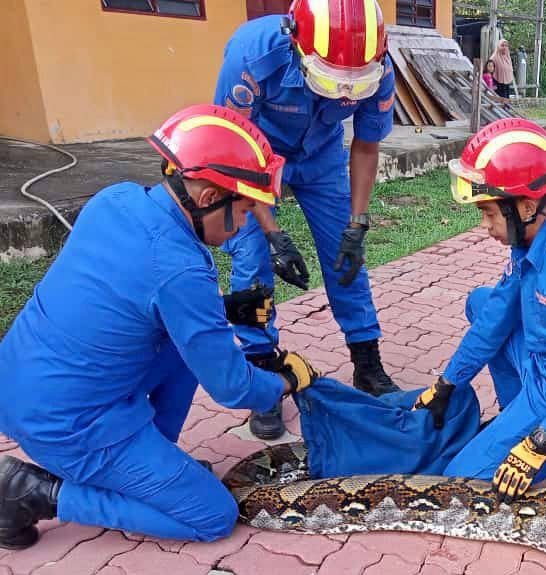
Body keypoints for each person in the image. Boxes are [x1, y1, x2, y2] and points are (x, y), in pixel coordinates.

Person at [0, 105, 320, 549]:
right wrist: (286, 381)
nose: (245, 223)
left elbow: (123, 297)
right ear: (209, 198)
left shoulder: (118, 198)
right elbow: (232, 389)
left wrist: (226, 309)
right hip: (67, 425)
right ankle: (39, 494)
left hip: (26, 382)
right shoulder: (180, 270)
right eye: (245, 210)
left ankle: (149, 467)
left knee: (181, 347)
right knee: (212, 516)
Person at [412, 118, 546, 503]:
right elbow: (495, 316)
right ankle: (518, 417)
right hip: (541, 364)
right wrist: (447, 384)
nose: (485, 226)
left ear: (527, 207)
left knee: (460, 482)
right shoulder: (528, 242)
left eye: (491, 214)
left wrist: (538, 443)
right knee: (481, 303)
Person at [214, 0, 401, 441]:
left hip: (321, 159)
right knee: (252, 262)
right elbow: (236, 151)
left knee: (346, 257)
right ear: (299, 44)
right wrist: (274, 233)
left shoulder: (377, 64)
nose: (341, 94)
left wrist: (357, 223)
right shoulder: (250, 57)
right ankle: (262, 378)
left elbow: (367, 147)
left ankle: (367, 363)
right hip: (256, 159)